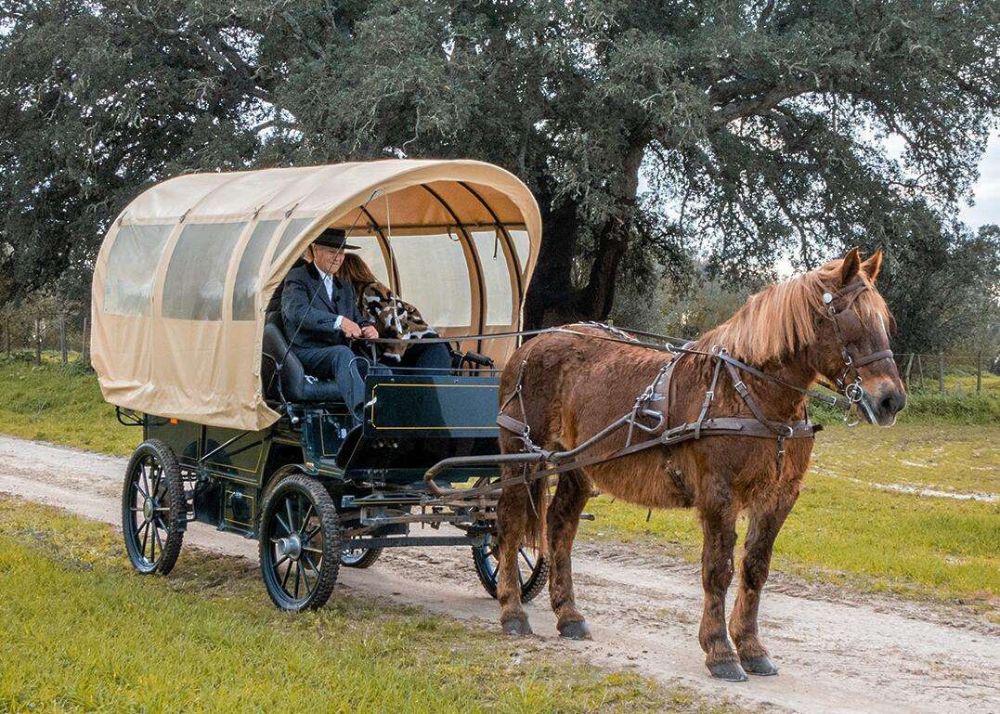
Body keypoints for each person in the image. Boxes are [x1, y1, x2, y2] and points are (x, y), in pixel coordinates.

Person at [280, 228, 379, 419]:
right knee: (343, 354)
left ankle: (391, 419)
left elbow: (357, 318)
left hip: (338, 353)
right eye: (333, 252)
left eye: (341, 253)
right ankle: (363, 417)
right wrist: (338, 321)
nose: (338, 258)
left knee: (380, 369)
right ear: (316, 250)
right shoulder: (298, 277)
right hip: (305, 351)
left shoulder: (345, 286)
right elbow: (298, 313)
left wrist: (368, 327)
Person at [338, 253, 453, 370]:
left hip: (425, 350)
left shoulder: (371, 291)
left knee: (420, 386)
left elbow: (398, 329)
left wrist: (388, 363)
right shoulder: (357, 300)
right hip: (408, 355)